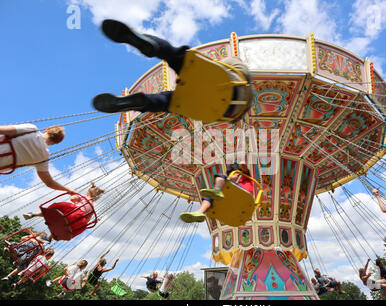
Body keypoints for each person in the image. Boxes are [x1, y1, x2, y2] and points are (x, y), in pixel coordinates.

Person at [92, 19, 253, 124]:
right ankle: (142, 103)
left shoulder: (234, 67)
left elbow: (217, 70)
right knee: (169, 103)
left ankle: (151, 46)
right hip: (222, 110)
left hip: (220, 86)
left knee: (175, 56)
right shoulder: (246, 88)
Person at [0, 123, 76, 193]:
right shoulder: (44, 158)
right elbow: (49, 183)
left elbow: (3, 130)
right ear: (56, 143)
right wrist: (69, 190)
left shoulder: (32, 129)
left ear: (46, 130)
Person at [22, 182, 105, 239]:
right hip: (76, 222)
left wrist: (73, 195)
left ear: (88, 192)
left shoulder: (83, 197)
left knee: (53, 211)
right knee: (63, 228)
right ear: (96, 198)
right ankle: (49, 237)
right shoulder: (92, 208)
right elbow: (87, 220)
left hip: (71, 212)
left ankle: (33, 214)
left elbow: (72, 199)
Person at [179, 163, 254, 223]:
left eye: (233, 174)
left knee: (221, 176)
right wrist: (230, 178)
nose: (231, 176)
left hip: (243, 196)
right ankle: (199, 212)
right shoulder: (229, 186)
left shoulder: (246, 177)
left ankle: (217, 190)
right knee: (210, 197)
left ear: (238, 173)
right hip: (231, 205)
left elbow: (245, 169)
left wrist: (241, 166)